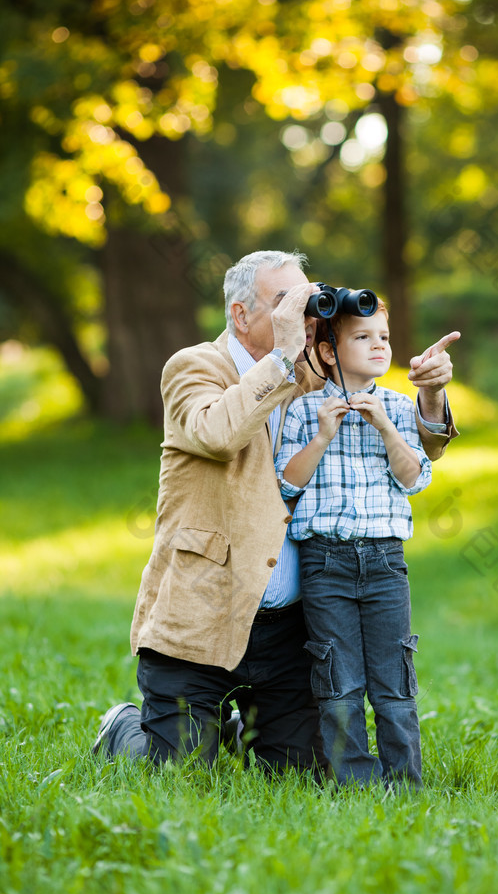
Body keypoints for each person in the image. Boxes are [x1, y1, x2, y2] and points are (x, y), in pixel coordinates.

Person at [93, 250, 458, 772]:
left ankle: (240, 728)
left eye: (307, 301)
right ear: (241, 315)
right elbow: (216, 434)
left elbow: (423, 445)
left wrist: (431, 394)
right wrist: (284, 357)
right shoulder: (193, 366)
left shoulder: (314, 374)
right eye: (285, 303)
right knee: (181, 772)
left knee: (303, 773)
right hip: (201, 624)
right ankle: (126, 727)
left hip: (288, 632)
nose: (304, 317)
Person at [275, 299, 431, 788]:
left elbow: (415, 479)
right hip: (325, 562)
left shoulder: (402, 408)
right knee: (338, 681)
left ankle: (404, 784)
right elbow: (285, 484)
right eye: (363, 337)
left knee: (394, 681)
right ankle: (355, 784)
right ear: (328, 350)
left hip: (385, 561)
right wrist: (322, 436)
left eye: (383, 336)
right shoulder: (302, 411)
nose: (379, 344)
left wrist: (384, 425)